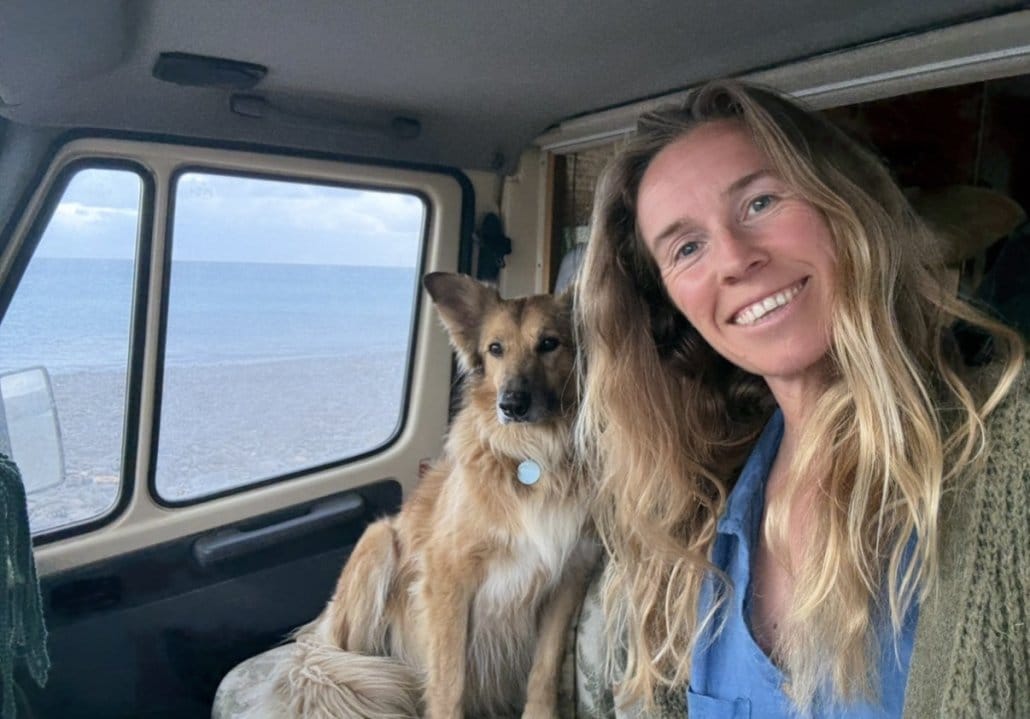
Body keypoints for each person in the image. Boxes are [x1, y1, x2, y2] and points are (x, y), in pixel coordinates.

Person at [572, 81, 1027, 718]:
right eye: (687, 248)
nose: (734, 259)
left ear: (846, 205)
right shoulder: (693, 515)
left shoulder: (1012, 455)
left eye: (760, 202)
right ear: (668, 310)